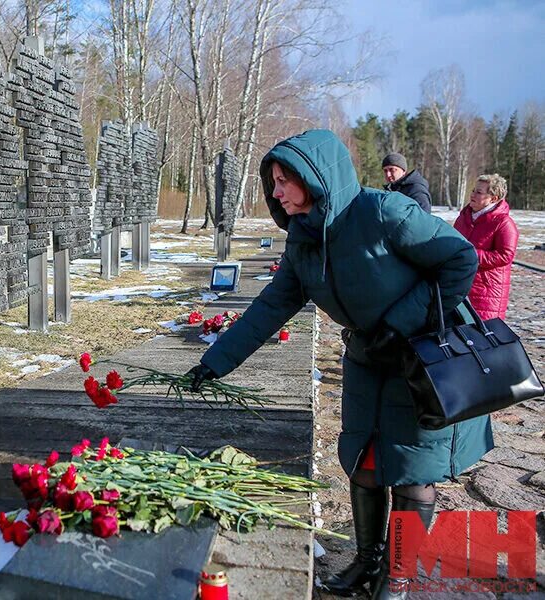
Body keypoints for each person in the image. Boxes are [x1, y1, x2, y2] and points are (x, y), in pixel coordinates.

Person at [186, 130, 492, 600]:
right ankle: (367, 562)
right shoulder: (303, 242)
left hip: (423, 357)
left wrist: (400, 321)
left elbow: (459, 258)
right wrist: (215, 362)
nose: (276, 192)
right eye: (274, 182)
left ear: (316, 177)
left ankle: (399, 576)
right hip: (368, 359)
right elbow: (272, 306)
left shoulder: (383, 212)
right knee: (365, 462)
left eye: (284, 180)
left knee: (413, 470)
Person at [453, 174, 519, 321]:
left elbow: (505, 255)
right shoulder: (463, 217)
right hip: (463, 283)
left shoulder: (504, 223)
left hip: (487, 288)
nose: (473, 195)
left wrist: (471, 255)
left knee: (484, 334)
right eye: (473, 190)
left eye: (479, 192)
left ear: (493, 198)